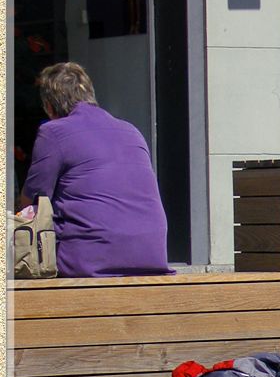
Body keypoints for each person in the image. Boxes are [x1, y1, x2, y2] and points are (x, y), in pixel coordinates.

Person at [18, 62, 171, 278]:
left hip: (89, 257)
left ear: (49, 106)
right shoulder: (131, 130)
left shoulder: (53, 132)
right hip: (151, 255)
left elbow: (32, 201)